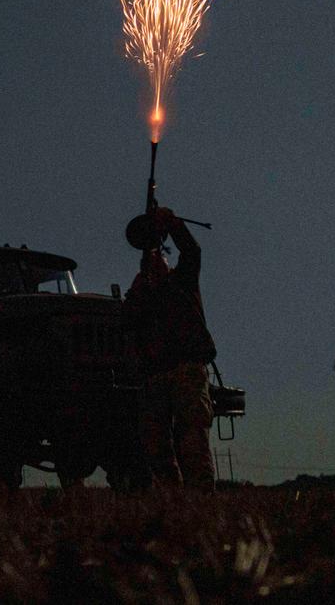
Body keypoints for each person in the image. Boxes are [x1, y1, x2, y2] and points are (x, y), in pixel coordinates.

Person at [124, 206, 217, 489]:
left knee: (192, 438)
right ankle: (171, 499)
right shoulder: (142, 297)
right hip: (155, 375)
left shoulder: (182, 281)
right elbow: (129, 324)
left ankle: (200, 498)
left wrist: (172, 223)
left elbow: (192, 251)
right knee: (156, 446)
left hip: (186, 368)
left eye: (159, 259)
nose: (155, 264)